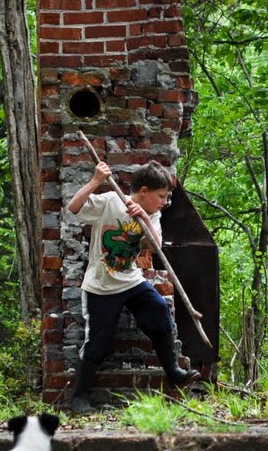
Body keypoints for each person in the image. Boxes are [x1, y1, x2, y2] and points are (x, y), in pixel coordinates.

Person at [66, 159, 197, 414]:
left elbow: (155, 247)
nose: (164, 202)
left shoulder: (154, 214)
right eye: (161, 196)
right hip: (100, 286)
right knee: (98, 343)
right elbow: (73, 207)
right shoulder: (111, 202)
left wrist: (144, 218)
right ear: (144, 191)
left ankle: (174, 372)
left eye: (167, 196)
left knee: (159, 311)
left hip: (131, 280)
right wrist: (95, 181)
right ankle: (79, 397)